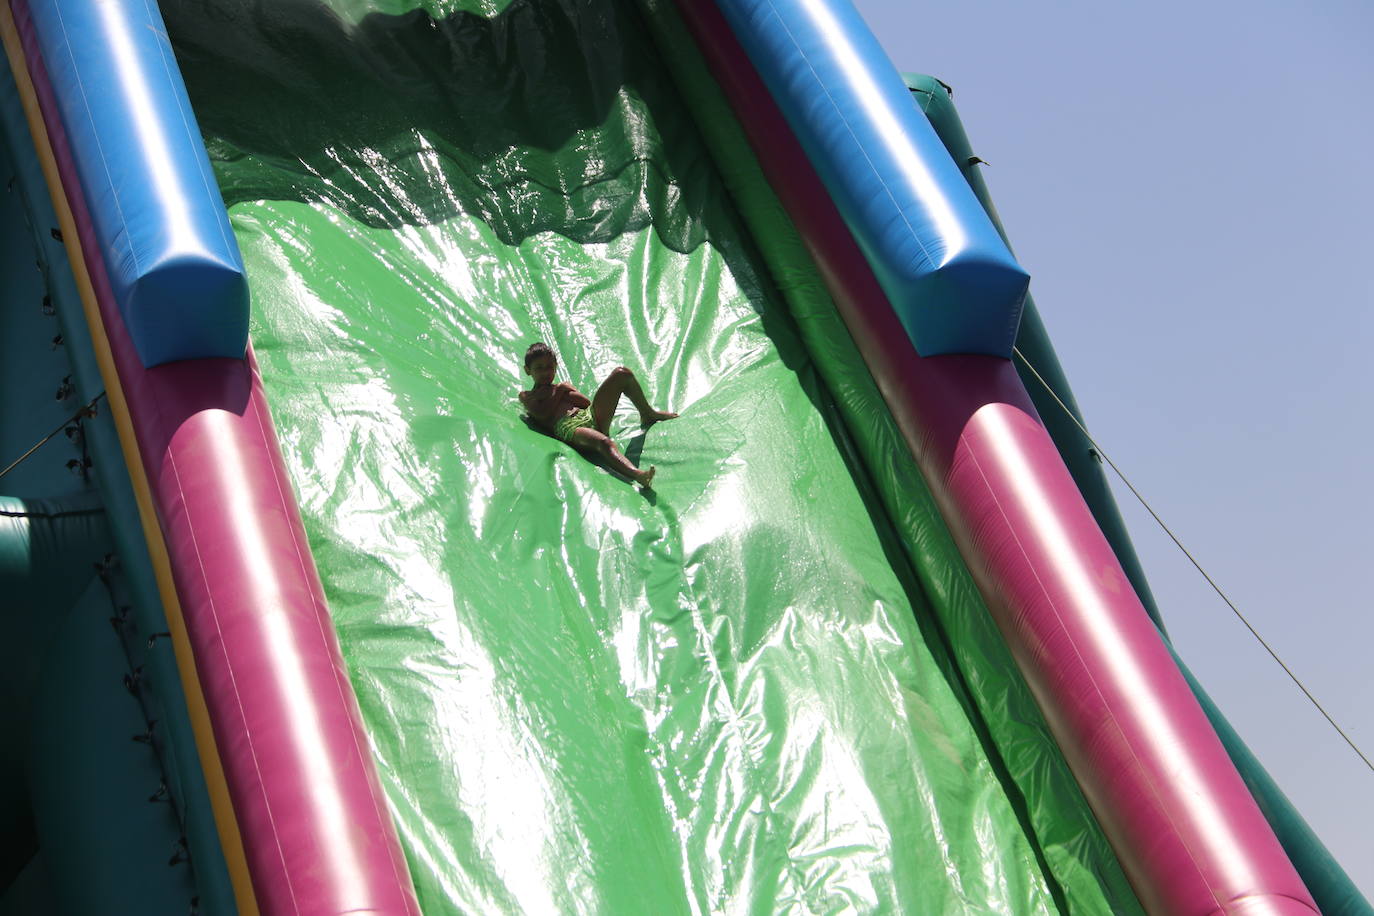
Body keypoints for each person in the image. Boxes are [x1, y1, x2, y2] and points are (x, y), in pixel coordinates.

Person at [518, 342, 677, 488]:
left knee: (622, 374)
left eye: (549, 367)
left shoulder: (560, 387)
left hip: (588, 415)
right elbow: (542, 414)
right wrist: (560, 391)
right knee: (604, 443)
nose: (545, 372)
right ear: (527, 370)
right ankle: (638, 475)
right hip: (570, 427)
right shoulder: (527, 395)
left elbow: (585, 403)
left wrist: (564, 391)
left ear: (556, 367)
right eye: (539, 368)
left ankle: (647, 413)